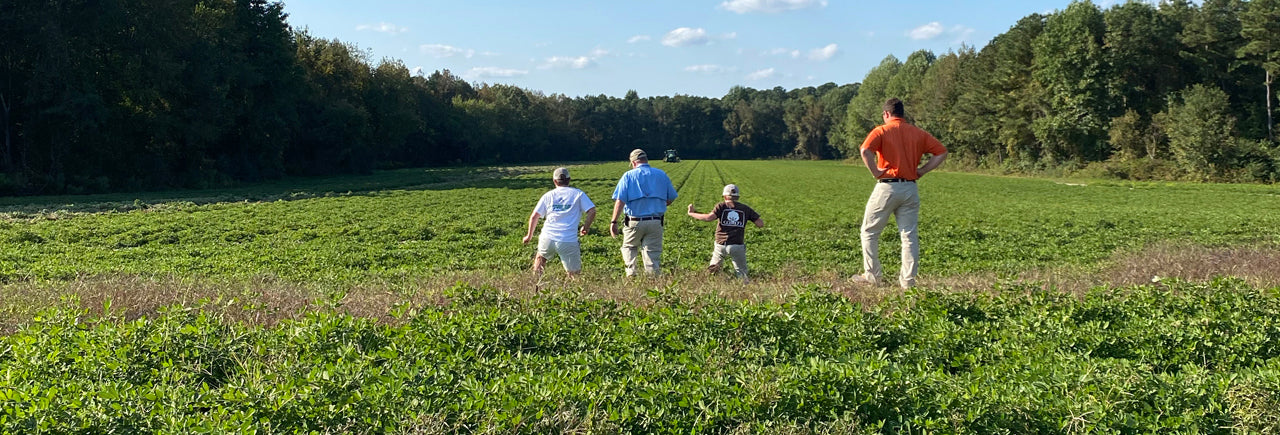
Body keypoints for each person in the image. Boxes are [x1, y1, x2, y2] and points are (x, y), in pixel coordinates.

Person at [853, 98, 948, 289]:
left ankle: (872, 276)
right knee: (909, 235)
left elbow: (865, 150)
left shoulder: (881, 130)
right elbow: (941, 152)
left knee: (869, 231)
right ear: (902, 114)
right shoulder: (918, 133)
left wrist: (876, 172)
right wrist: (922, 170)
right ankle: (908, 281)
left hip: (887, 186)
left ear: (886, 114)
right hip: (910, 187)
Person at [609, 149, 678, 276]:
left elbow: (620, 201)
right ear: (646, 160)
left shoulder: (628, 176)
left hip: (634, 221)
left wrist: (614, 221)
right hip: (655, 221)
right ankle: (653, 278)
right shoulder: (661, 174)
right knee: (652, 252)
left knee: (630, 248)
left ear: (633, 162)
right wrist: (660, 204)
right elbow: (671, 197)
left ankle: (631, 275)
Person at [522, 167, 596, 277]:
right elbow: (592, 211)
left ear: (554, 181)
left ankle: (534, 287)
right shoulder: (578, 194)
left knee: (540, 259)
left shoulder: (548, 195)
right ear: (569, 179)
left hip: (547, 237)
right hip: (568, 239)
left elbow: (534, 216)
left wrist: (529, 236)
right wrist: (586, 227)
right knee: (574, 275)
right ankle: (572, 291)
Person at [687, 184, 764, 283]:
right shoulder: (745, 208)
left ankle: (712, 283)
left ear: (724, 196)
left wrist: (692, 213)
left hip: (721, 244)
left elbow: (709, 218)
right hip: (737, 244)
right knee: (741, 271)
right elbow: (760, 224)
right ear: (738, 197)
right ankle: (744, 287)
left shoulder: (721, 206)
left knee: (714, 266)